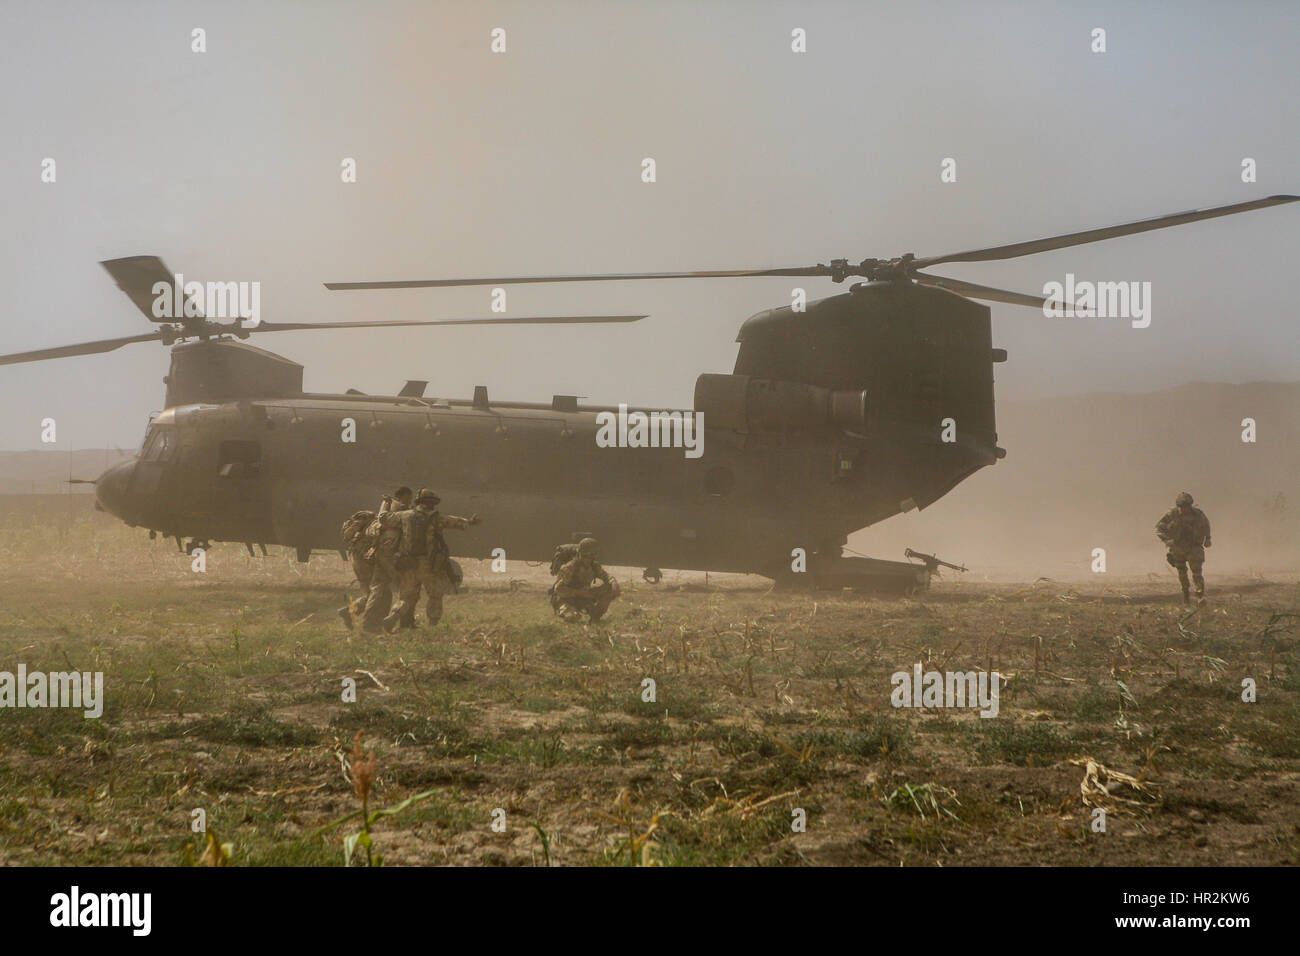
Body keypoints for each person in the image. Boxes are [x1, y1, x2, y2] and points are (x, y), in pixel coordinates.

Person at [383, 488, 480, 630]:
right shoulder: (436, 518)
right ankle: (432, 625)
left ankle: (394, 615)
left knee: (406, 597)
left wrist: (386, 504)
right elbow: (454, 522)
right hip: (429, 565)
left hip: (408, 563)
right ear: (432, 503)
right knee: (435, 595)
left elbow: (384, 519)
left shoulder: (404, 515)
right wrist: (470, 522)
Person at [358, 487, 414, 632]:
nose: (410, 500)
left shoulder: (388, 507)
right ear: (403, 496)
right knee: (407, 591)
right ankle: (396, 621)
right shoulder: (401, 511)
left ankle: (369, 625)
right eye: (409, 496)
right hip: (393, 557)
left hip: (381, 554)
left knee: (378, 590)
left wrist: (384, 503)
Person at [1155, 491, 1212, 604]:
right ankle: (1186, 596)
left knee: (1197, 572)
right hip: (1178, 547)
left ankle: (1200, 596)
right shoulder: (1172, 514)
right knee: (1182, 573)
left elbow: (1206, 525)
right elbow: (1159, 528)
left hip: (1194, 547)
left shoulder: (1198, 514)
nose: (1184, 509)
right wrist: (1167, 540)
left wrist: (1208, 538)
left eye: (1186, 506)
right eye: (1182, 506)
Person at [551, 537, 620, 623]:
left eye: (593, 555)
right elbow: (558, 589)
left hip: (583, 599)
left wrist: (613, 583)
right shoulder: (570, 567)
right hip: (567, 600)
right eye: (589, 555)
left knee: (609, 589)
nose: (591, 558)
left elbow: (606, 576)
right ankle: (567, 612)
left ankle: (596, 615)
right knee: (573, 617)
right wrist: (578, 592)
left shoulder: (593, 566)